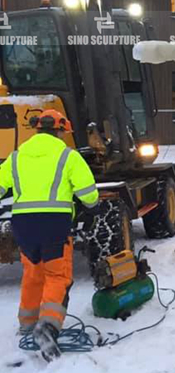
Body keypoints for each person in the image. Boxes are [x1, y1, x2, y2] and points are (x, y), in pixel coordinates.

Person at [0, 109, 99, 361]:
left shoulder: (16, 156)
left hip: (22, 224)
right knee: (57, 275)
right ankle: (48, 326)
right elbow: (88, 194)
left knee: (33, 271)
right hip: (54, 223)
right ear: (60, 131)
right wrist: (92, 206)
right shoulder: (68, 155)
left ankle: (27, 323)